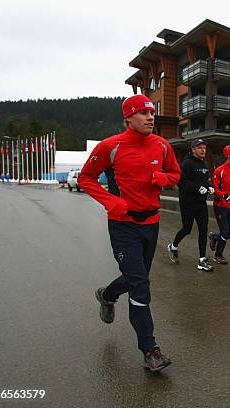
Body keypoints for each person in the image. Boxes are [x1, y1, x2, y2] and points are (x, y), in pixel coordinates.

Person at [78, 94, 181, 372]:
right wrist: (112, 202)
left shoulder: (161, 145)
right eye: (143, 113)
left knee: (138, 278)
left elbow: (175, 174)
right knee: (140, 285)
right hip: (123, 226)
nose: (150, 117)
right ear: (128, 118)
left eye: (151, 113)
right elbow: (85, 178)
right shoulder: (110, 146)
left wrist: (163, 179)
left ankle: (107, 295)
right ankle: (150, 350)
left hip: (152, 223)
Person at [167, 138, 214, 272]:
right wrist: (197, 188)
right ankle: (173, 246)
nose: (203, 150)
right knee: (187, 229)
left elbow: (205, 181)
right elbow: (180, 182)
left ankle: (202, 260)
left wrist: (209, 187)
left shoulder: (204, 165)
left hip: (201, 203)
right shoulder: (186, 163)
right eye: (199, 147)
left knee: (203, 230)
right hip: (188, 203)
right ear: (193, 149)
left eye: (204, 147)